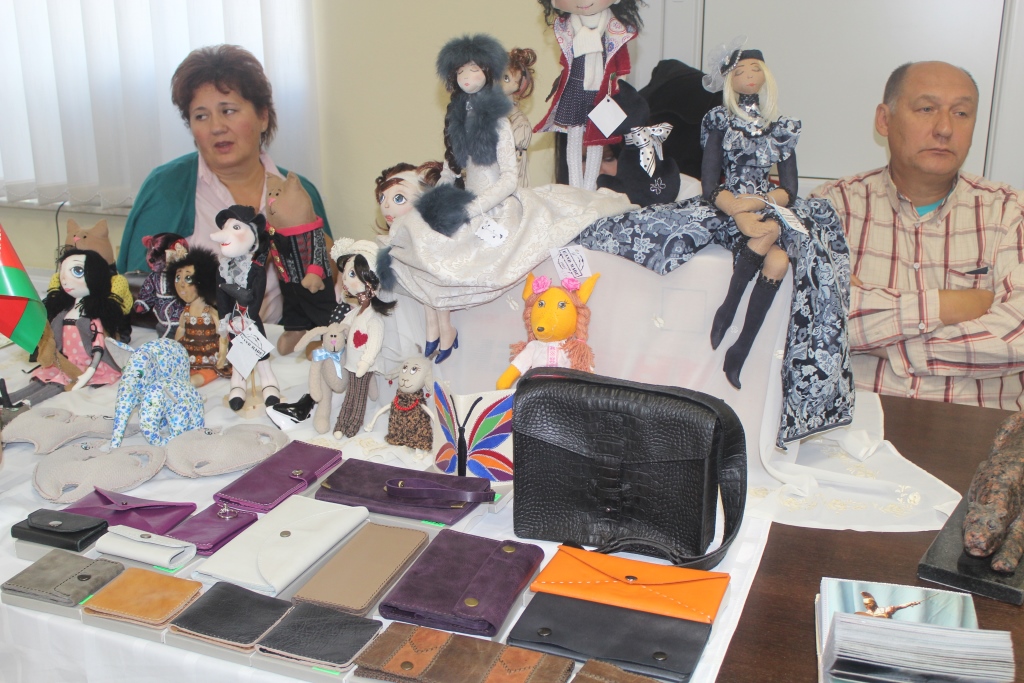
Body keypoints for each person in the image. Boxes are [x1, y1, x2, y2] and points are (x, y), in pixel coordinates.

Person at [577, 43, 853, 446]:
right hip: (728, 204)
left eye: (755, 69)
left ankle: (739, 345)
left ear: (765, 76)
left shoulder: (781, 126)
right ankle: (727, 313)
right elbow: (710, 184)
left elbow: (789, 189)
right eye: (740, 71)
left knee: (780, 259)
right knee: (759, 238)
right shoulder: (720, 121)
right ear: (729, 80)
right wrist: (735, 208)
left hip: (766, 206)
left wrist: (759, 203)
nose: (748, 77)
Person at [384, 33, 632, 365]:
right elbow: (452, 168)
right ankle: (436, 323)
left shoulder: (499, 123)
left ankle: (442, 325)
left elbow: (508, 179)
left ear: (487, 72)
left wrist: (476, 207)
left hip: (496, 206)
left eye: (473, 70)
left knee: (463, 254)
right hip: (466, 199)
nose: (467, 77)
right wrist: (441, 196)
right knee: (417, 235)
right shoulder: (459, 119)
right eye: (461, 71)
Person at [811, 61, 1024, 409]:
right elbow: (814, 319)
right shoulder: (831, 207)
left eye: (961, 113)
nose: (944, 128)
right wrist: (947, 305)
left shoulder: (1010, 212)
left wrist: (892, 344)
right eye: (926, 109)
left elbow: (1017, 338)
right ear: (884, 120)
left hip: (975, 431)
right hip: (850, 425)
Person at [116, 44, 331, 326]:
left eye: (228, 111)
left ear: (263, 116)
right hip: (190, 342)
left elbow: (328, 292)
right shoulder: (165, 187)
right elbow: (133, 293)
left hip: (280, 344)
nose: (216, 127)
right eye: (201, 116)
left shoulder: (298, 190)